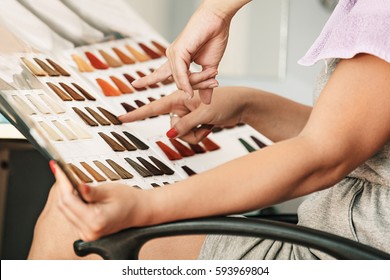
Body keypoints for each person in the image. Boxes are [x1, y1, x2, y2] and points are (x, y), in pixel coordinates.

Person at [28, 0, 390, 259]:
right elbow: (364, 147)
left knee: (68, 224)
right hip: (345, 243)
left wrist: (146, 206)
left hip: (337, 257)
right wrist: (248, 104)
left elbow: (324, 156)